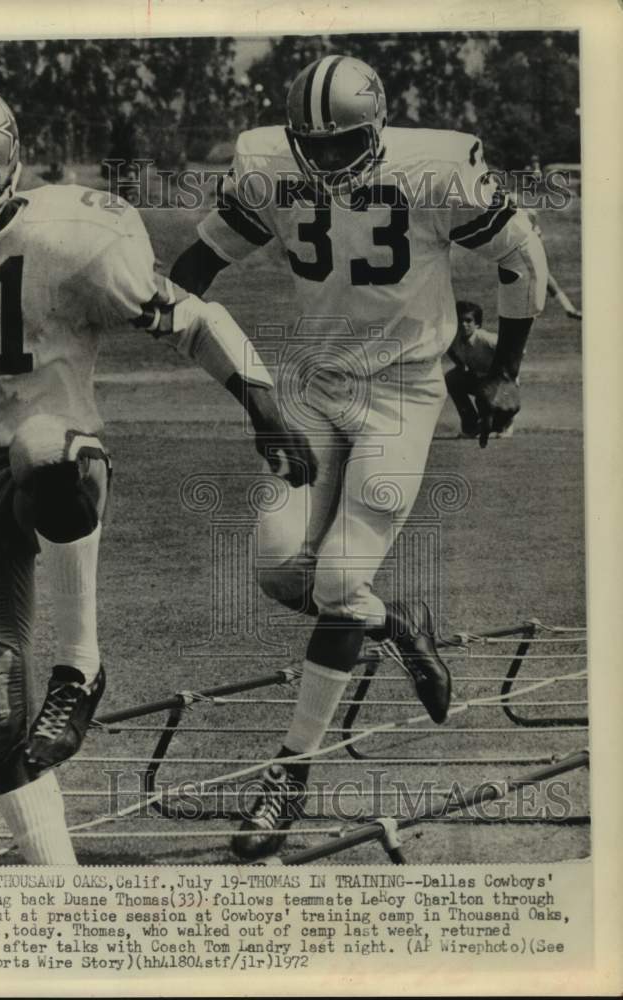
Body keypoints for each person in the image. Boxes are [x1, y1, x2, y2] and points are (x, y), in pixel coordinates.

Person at [0, 80, 315, 864]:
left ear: (8, 168)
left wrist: (260, 401)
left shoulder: (71, 236)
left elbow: (192, 319)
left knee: (42, 449)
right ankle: (60, 893)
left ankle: (82, 666)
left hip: (64, 457)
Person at [170, 54, 548, 859]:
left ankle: (289, 774)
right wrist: (224, 362)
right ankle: (398, 621)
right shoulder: (272, 165)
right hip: (313, 381)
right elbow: (195, 268)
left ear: (376, 128)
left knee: (339, 579)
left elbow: (522, 260)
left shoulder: (438, 169)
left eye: (343, 144)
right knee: (278, 571)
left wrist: (505, 370)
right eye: (314, 144)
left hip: (406, 393)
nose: (328, 161)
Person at [446, 301, 515, 439]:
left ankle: (505, 422)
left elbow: (515, 350)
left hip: (501, 382)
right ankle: (471, 426)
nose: (463, 324)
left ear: (477, 324)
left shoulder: (486, 338)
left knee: (485, 400)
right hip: (479, 379)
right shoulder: (452, 339)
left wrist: (509, 377)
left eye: (468, 321)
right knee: (451, 378)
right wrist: (461, 366)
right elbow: (450, 350)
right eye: (460, 320)